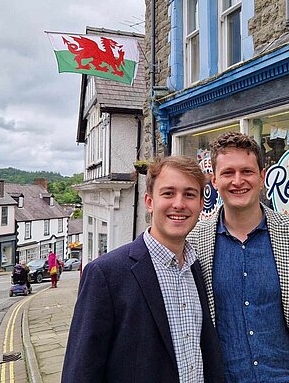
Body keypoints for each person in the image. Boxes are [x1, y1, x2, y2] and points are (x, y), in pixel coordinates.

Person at [187, 132, 289, 383]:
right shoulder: (194, 243)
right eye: (228, 173)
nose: (238, 181)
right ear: (215, 180)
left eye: (247, 172)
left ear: (262, 177)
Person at [62, 156, 224, 383]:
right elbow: (81, 372)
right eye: (168, 193)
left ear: (200, 204)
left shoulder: (196, 267)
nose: (179, 204)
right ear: (149, 201)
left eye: (189, 194)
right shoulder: (106, 275)